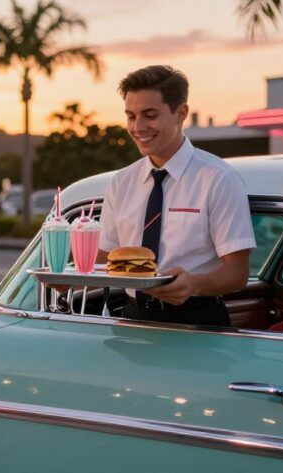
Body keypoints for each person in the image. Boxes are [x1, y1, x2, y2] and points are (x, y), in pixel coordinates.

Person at [96, 65, 256, 327]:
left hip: (199, 321)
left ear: (181, 113)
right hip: (133, 319)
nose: (138, 127)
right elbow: (102, 261)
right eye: (131, 116)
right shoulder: (120, 183)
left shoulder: (218, 178)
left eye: (150, 115)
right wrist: (62, 274)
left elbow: (237, 273)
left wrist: (195, 284)